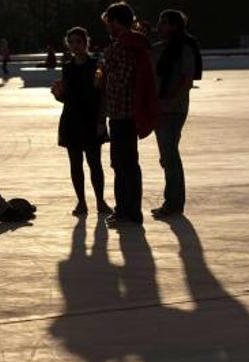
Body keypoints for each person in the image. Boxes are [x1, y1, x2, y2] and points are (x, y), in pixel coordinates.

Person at [98, 1, 159, 227]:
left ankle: (130, 212)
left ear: (116, 21)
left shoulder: (124, 47)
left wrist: (107, 64)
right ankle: (124, 209)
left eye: (109, 22)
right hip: (120, 113)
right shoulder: (128, 44)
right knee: (121, 163)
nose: (107, 27)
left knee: (126, 164)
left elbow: (122, 80)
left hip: (124, 113)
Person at [52, 27, 113, 217]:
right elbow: (66, 97)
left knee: (95, 163)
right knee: (75, 164)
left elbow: (102, 94)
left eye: (78, 41)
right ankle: (81, 201)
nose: (75, 45)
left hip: (91, 119)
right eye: (71, 42)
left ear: (85, 42)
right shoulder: (68, 67)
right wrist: (58, 94)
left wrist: (101, 120)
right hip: (71, 119)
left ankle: (100, 201)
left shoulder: (96, 65)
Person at [151, 9, 196, 219]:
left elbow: (187, 81)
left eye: (163, 23)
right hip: (160, 108)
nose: (159, 26)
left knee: (170, 157)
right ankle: (173, 200)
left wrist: (169, 100)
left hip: (173, 109)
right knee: (167, 157)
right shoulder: (159, 49)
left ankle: (174, 203)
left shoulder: (184, 49)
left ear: (174, 26)